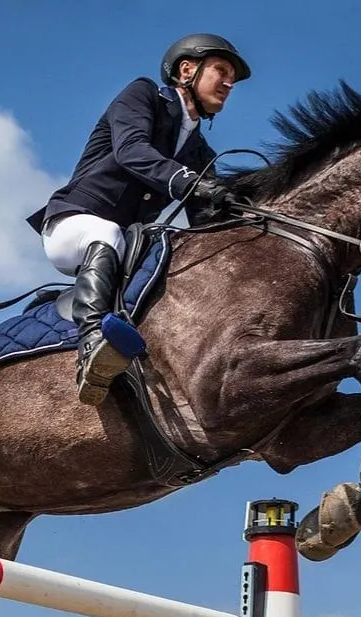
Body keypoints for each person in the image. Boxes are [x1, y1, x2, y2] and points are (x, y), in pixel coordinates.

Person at [26, 33, 251, 406]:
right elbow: (131, 151)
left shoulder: (200, 151)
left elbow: (206, 222)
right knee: (107, 233)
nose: (229, 83)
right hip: (73, 224)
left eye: (232, 78)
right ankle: (92, 342)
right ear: (187, 70)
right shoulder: (142, 94)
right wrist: (190, 182)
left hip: (128, 245)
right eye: (221, 71)